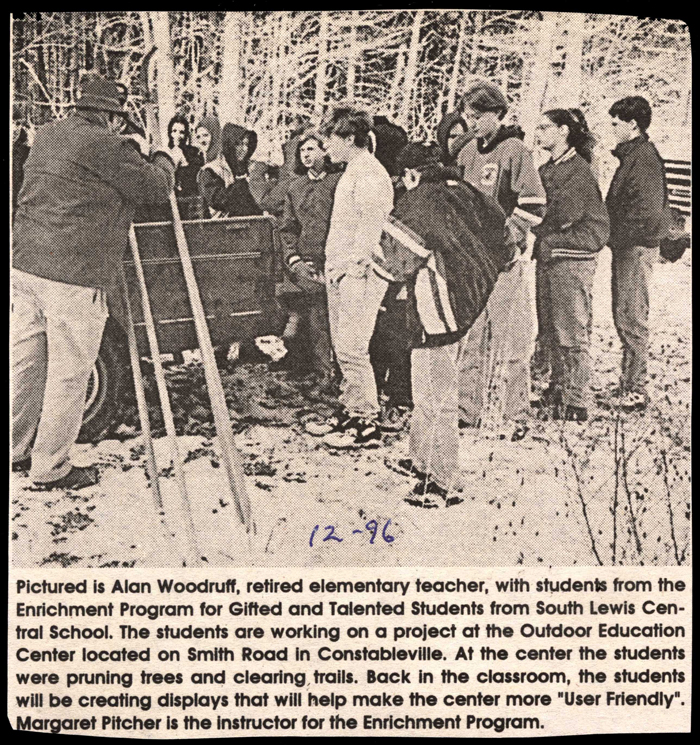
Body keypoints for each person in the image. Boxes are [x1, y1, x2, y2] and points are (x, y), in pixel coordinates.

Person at [11, 74, 175, 490]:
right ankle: (50, 469)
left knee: (26, 363)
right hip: (74, 275)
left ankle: (14, 449)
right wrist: (162, 155)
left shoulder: (47, 135)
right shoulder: (105, 144)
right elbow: (156, 187)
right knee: (69, 371)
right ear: (108, 115)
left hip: (27, 265)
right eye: (118, 118)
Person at [376, 143, 512, 506]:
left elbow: (393, 262)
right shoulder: (468, 191)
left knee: (435, 394)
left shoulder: (420, 200)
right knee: (430, 387)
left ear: (411, 174)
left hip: (436, 306)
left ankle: (443, 480)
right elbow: (507, 242)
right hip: (469, 299)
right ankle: (421, 459)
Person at [456, 80, 546, 435]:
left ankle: (515, 413)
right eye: (468, 116)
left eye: (478, 116)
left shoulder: (516, 150)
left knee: (511, 338)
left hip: (505, 262)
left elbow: (534, 203)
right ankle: (466, 408)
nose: (472, 122)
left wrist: (506, 238)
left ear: (497, 114)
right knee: (471, 336)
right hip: (473, 262)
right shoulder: (466, 153)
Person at [305, 106, 394, 448]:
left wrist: (352, 268)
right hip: (342, 271)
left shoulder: (370, 174)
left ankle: (366, 422)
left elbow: (372, 230)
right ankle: (350, 409)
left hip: (360, 273)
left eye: (329, 140)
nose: (326, 148)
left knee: (353, 348)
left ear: (349, 138)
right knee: (343, 349)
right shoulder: (352, 172)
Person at [531, 109, 610, 422]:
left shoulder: (578, 171)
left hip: (572, 254)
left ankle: (576, 400)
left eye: (544, 127)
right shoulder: (549, 168)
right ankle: (557, 389)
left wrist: (531, 222)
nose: (538, 133)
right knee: (550, 327)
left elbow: (562, 215)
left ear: (563, 131)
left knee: (571, 330)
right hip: (551, 252)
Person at [605, 96, 668, 412]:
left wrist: (615, 235)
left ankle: (636, 389)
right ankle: (629, 384)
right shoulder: (635, 156)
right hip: (629, 246)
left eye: (616, 123)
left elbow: (646, 211)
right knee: (626, 315)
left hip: (635, 247)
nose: (612, 128)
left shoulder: (642, 159)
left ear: (633, 124)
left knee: (631, 317)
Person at [278, 129, 342, 387]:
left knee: (339, 320)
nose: (306, 154)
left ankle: (341, 373)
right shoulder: (295, 188)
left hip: (336, 262)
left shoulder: (339, 182)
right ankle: (323, 374)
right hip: (307, 266)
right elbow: (288, 229)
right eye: (302, 150)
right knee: (316, 318)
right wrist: (294, 260)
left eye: (311, 149)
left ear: (324, 151)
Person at [198, 120, 263, 218]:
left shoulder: (251, 168)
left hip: (254, 224)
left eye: (246, 144)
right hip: (223, 227)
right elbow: (219, 201)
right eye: (238, 144)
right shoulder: (211, 170)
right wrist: (242, 182)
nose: (244, 149)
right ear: (229, 144)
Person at [166, 114, 205, 204]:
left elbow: (195, 180)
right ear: (169, 133)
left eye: (182, 132)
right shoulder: (164, 154)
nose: (177, 135)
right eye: (174, 131)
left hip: (192, 201)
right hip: (171, 202)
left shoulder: (194, 153)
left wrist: (184, 162)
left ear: (186, 134)